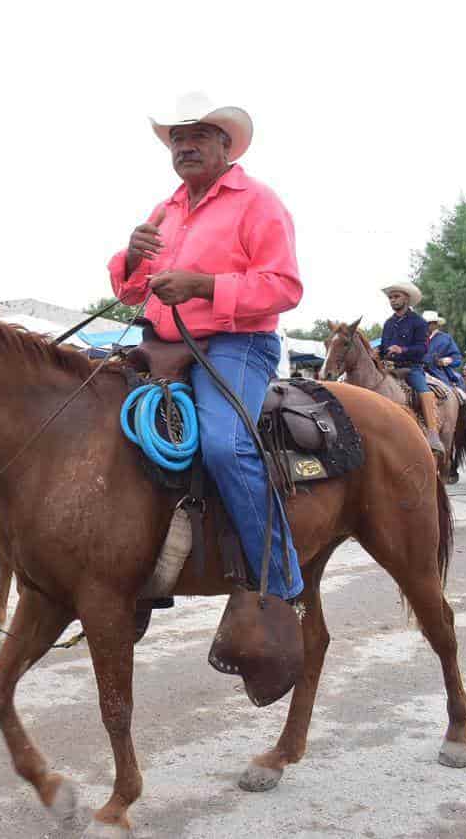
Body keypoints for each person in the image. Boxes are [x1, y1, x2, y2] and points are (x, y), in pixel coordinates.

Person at [108, 92, 303, 606]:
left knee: (224, 444)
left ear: (225, 144)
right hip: (161, 346)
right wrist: (130, 257)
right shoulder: (166, 209)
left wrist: (203, 287)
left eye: (197, 136)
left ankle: (280, 581)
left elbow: (284, 286)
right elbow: (131, 291)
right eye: (177, 138)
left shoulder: (258, 201)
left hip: (237, 343)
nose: (184, 147)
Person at [379, 282, 445, 457]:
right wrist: (376, 352)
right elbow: (384, 346)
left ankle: (433, 434)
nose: (393, 300)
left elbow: (423, 348)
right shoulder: (388, 323)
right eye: (390, 298)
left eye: (396, 297)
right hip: (390, 369)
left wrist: (403, 350)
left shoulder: (418, 322)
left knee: (423, 391)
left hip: (411, 368)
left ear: (406, 299)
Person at [422, 310, 464, 389]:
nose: (425, 326)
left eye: (428, 323)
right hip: (417, 370)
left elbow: (457, 358)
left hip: (438, 372)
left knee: (450, 391)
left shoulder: (446, 338)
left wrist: (446, 361)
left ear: (435, 324)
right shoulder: (417, 337)